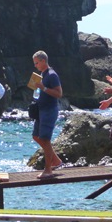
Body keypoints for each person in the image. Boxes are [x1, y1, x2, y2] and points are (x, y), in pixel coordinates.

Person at [32, 50, 63, 179]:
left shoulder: (52, 75)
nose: (35, 65)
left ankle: (48, 170)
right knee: (36, 136)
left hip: (49, 110)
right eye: (34, 63)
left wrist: (43, 88)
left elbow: (59, 93)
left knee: (45, 139)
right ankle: (56, 161)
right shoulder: (42, 74)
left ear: (43, 61)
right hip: (40, 110)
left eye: (37, 63)